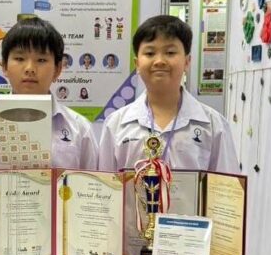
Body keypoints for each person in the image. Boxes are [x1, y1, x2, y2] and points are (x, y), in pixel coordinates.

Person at [0, 17, 98, 255]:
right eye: (20, 58)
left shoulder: (79, 128)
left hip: (61, 250)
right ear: (4, 66)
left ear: (58, 69)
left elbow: (89, 191)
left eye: (41, 60)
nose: (30, 68)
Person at [98, 15, 238, 173]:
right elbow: (104, 185)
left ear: (187, 62)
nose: (159, 61)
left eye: (170, 52)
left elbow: (227, 185)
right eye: (150, 53)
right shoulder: (115, 125)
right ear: (137, 64)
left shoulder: (214, 125)